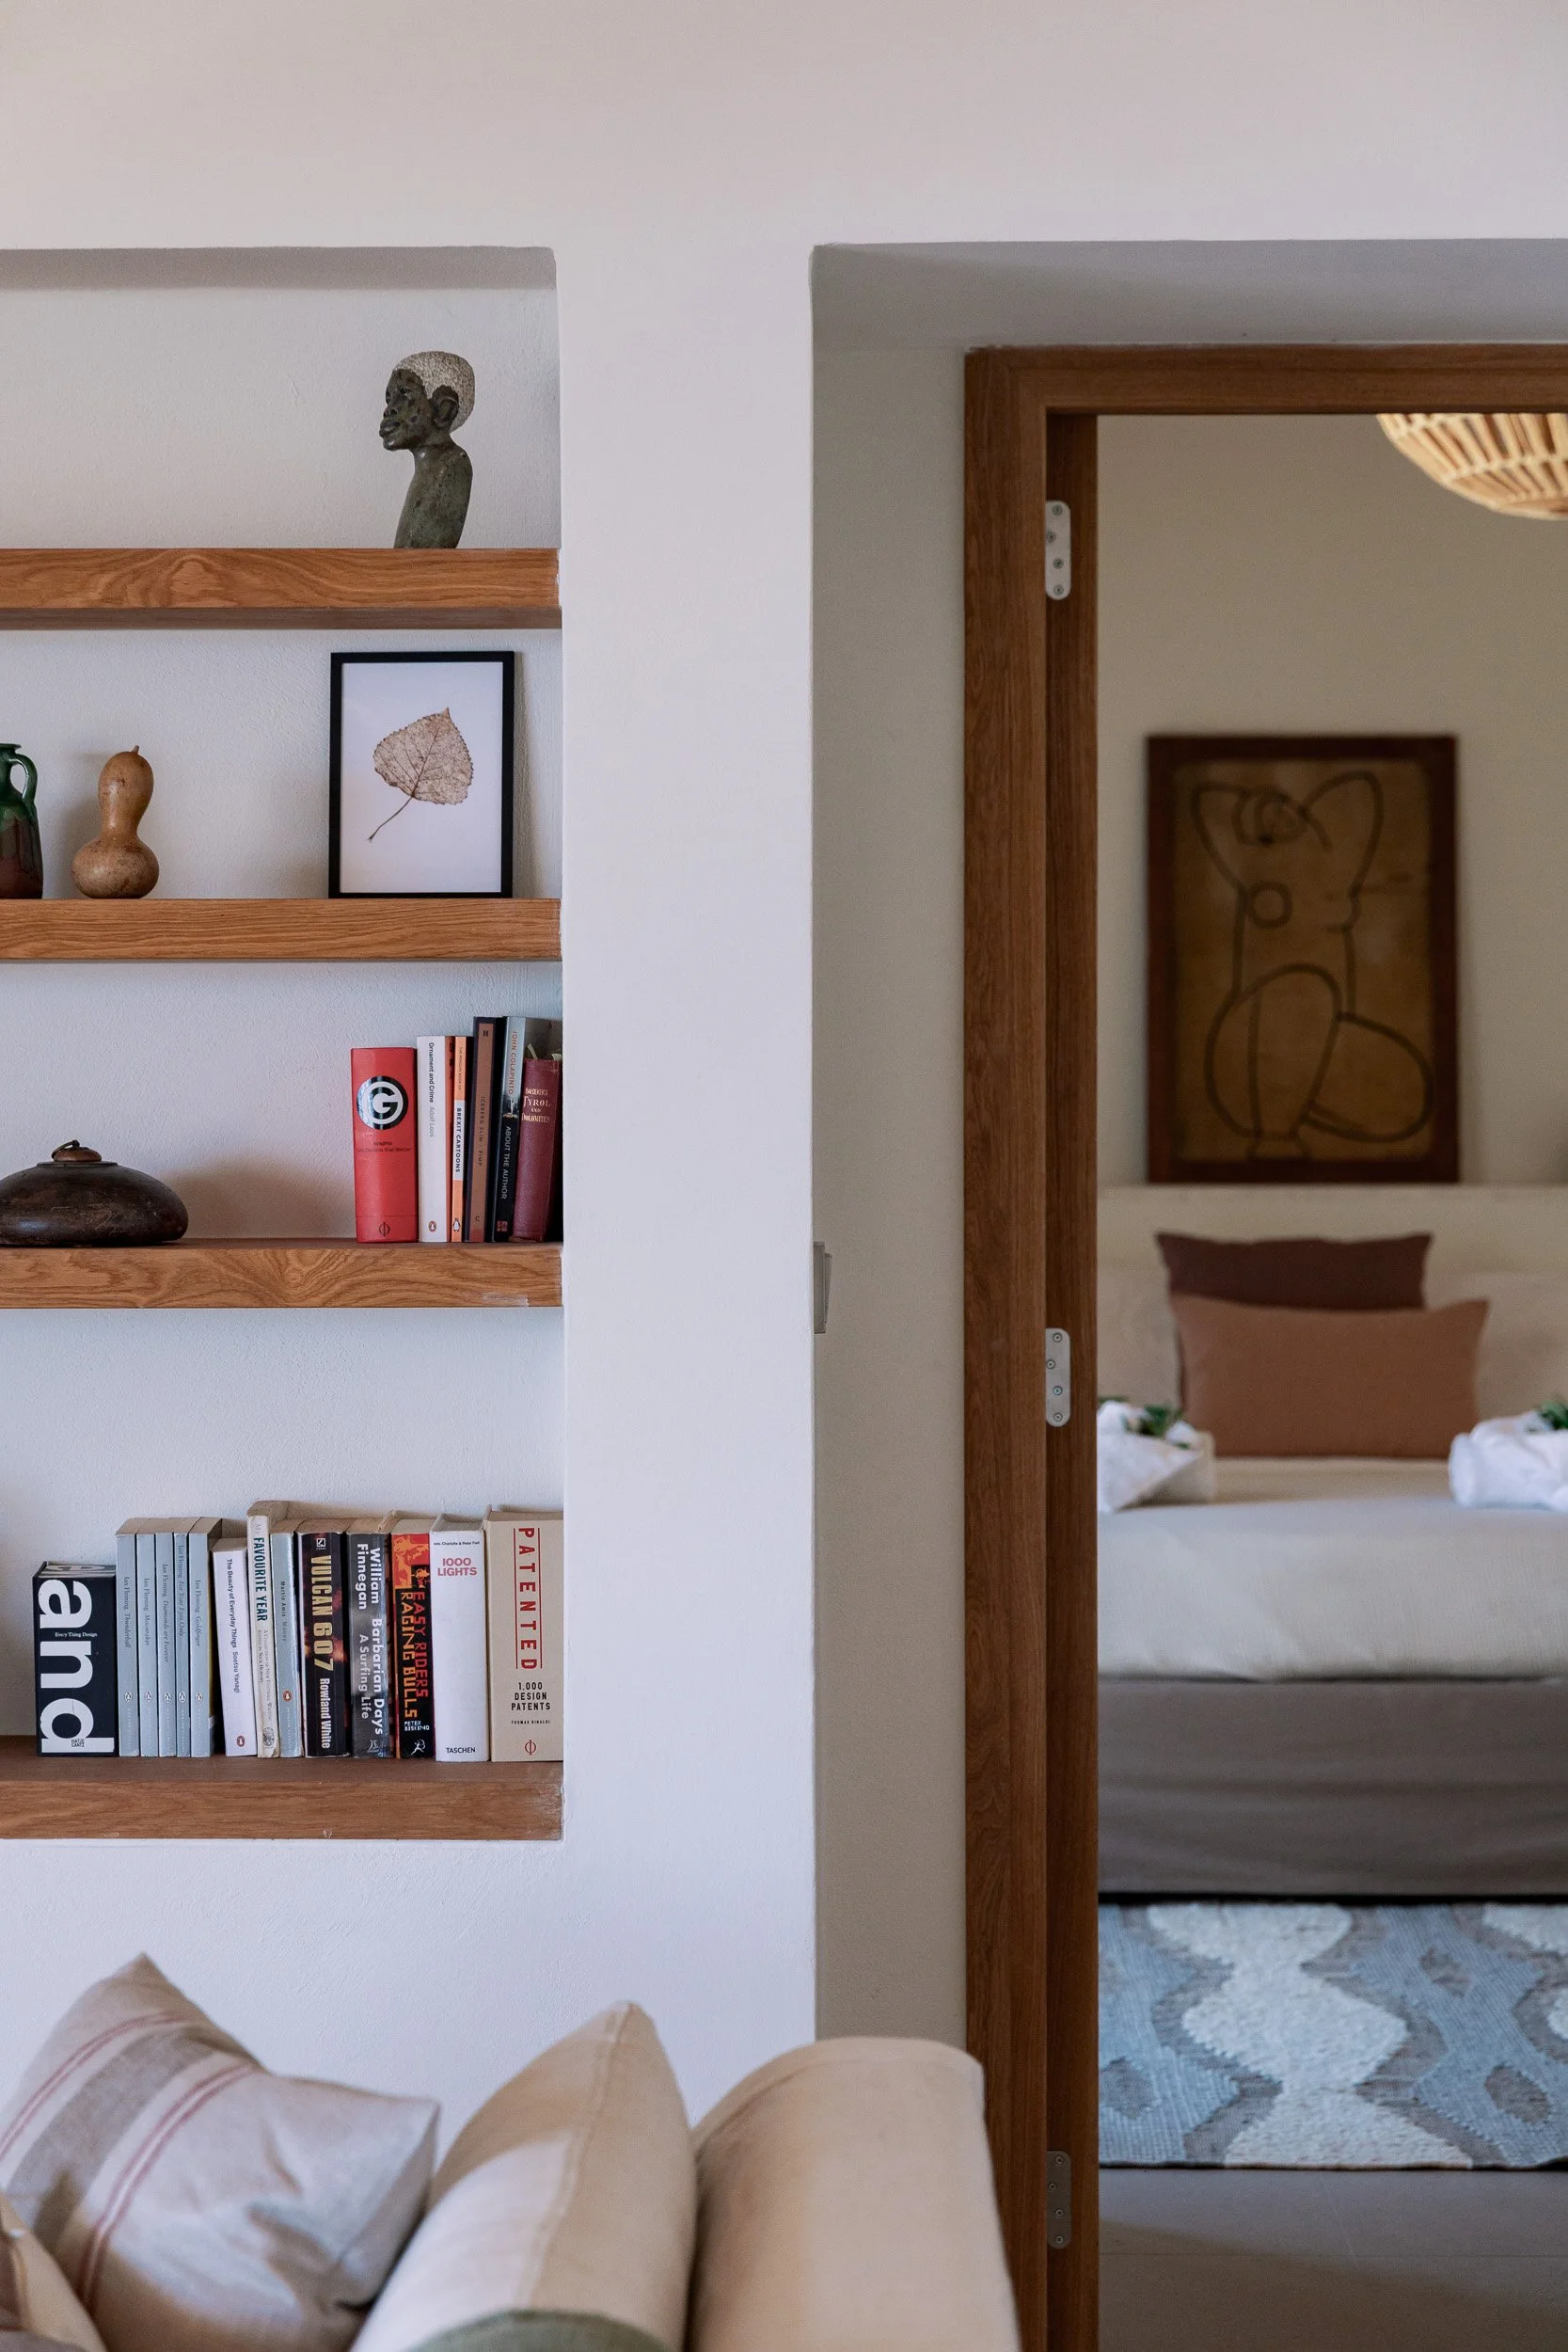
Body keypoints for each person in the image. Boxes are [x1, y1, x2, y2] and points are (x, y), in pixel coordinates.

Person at [380, 349, 475, 548]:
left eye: (404, 393)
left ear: (444, 409)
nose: (389, 409)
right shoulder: (430, 469)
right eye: (389, 398)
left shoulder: (452, 466)